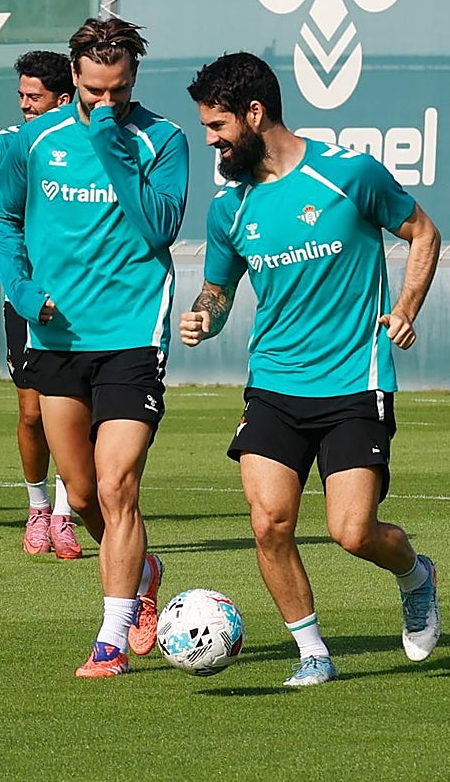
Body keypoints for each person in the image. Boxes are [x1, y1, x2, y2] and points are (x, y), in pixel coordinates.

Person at [180, 52, 441, 686]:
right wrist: (202, 316)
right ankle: (313, 653)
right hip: (274, 384)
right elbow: (217, 293)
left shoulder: (348, 174)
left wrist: (404, 308)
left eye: (217, 127)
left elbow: (425, 233)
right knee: (268, 521)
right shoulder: (229, 210)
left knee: (352, 532)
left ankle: (415, 574)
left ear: (254, 113)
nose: (210, 140)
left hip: (356, 380)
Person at [0, 17, 189, 677]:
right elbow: (3, 216)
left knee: (116, 482)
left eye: (120, 91)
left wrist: (110, 140)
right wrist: (20, 288)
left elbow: (159, 225)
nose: (108, 102)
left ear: (134, 79)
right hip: (55, 335)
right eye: (96, 91)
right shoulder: (33, 140)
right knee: (81, 488)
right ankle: (144, 570)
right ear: (73, 75)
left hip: (132, 333)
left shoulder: (163, 140)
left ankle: (110, 637)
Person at [0, 50, 82, 558]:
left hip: (84, 295)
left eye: (35, 97)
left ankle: (68, 515)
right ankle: (37, 507)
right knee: (32, 412)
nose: (26, 106)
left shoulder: (90, 144)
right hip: (27, 293)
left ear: (63, 98)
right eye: (22, 97)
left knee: (79, 413)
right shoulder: (9, 144)